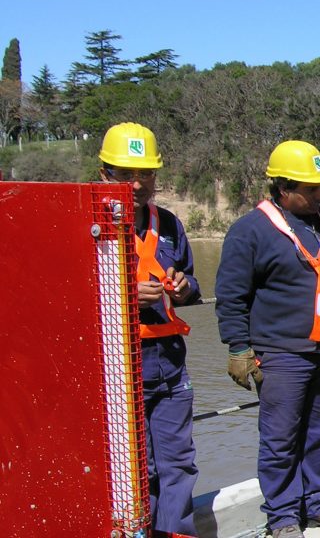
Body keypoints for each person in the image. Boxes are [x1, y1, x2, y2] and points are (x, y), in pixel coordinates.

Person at [214, 140, 320, 538]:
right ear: (283, 189)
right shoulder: (250, 232)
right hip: (282, 354)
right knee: (281, 440)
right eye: (310, 189)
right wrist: (238, 347)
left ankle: (318, 503)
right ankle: (282, 517)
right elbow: (231, 295)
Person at [99, 122, 201, 537]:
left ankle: (174, 532)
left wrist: (183, 287)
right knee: (133, 467)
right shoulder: (90, 224)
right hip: (119, 366)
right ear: (104, 172)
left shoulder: (171, 225)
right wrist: (123, 294)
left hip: (169, 362)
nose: (137, 184)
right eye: (126, 175)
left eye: (146, 175)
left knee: (178, 460)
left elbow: (193, 284)